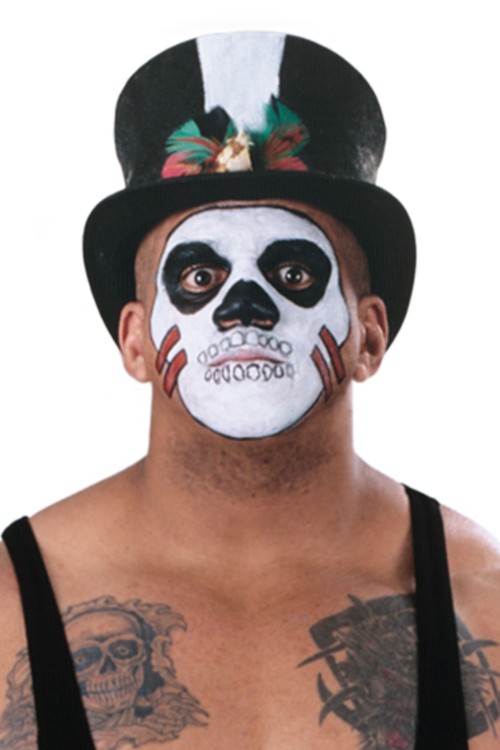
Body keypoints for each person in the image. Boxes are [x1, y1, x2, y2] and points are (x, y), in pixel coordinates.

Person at [0, 30, 499, 750]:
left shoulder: (485, 608)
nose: (243, 309)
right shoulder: (9, 610)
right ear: (135, 341)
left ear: (369, 336)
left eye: (293, 274)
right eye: (199, 277)